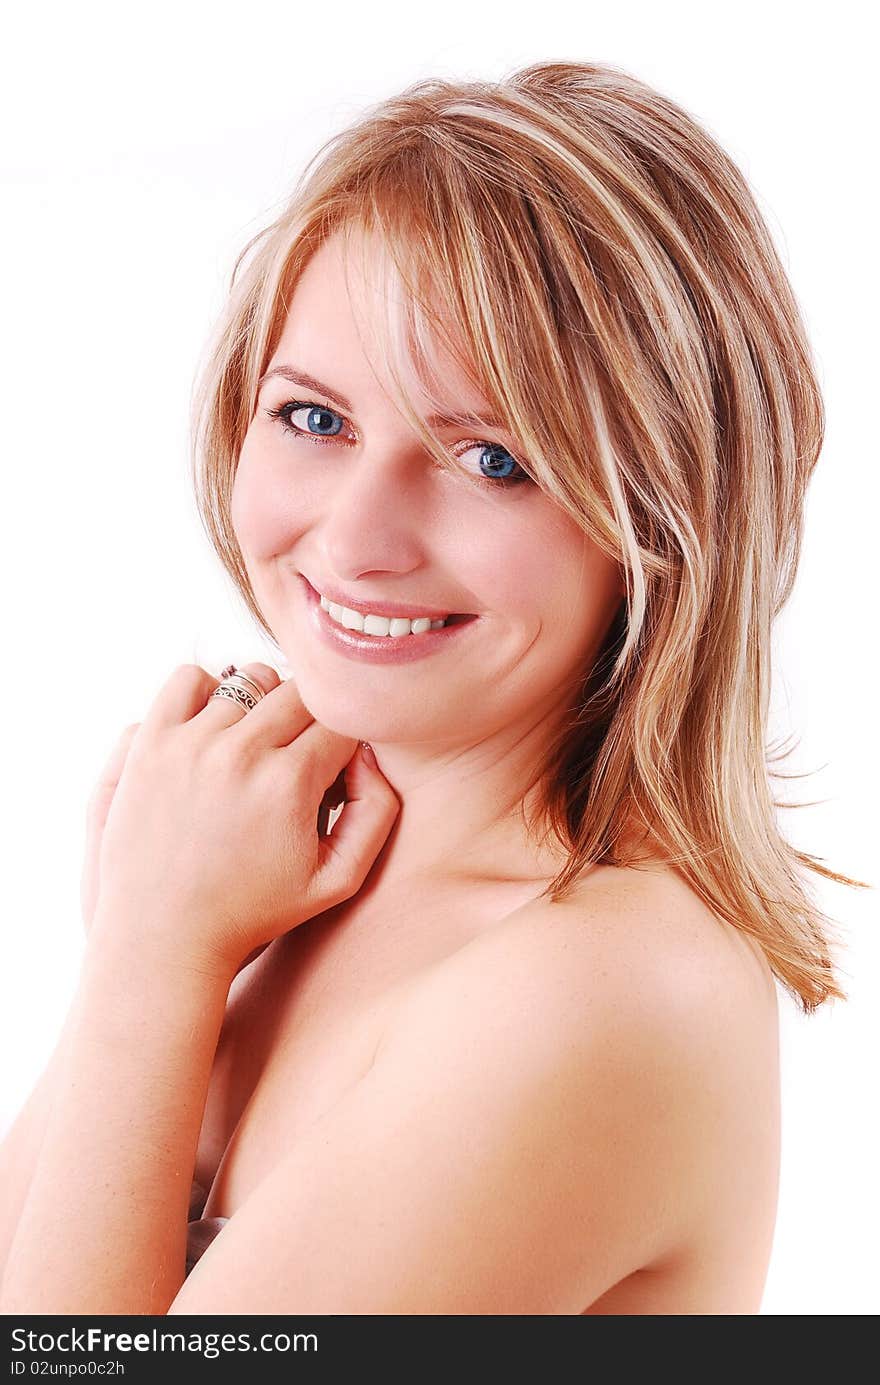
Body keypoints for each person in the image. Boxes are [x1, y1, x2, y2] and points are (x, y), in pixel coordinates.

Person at [0, 59, 863, 1317]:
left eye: (493, 457)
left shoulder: (605, 989)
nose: (356, 538)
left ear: (667, 519)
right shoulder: (255, 857)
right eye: (314, 419)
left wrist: (144, 957)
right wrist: (163, 933)